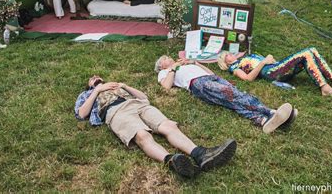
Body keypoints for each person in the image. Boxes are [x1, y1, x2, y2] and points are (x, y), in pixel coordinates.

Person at [74, 75, 237, 178]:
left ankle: (201, 154)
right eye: (91, 78)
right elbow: (82, 114)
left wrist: (124, 86)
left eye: (97, 76)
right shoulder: (87, 94)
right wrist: (97, 90)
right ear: (89, 85)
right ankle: (172, 161)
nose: (95, 77)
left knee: (168, 126)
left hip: (137, 104)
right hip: (116, 112)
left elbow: (145, 98)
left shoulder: (116, 85)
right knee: (142, 135)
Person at [155, 56, 297, 133]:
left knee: (235, 96)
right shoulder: (164, 72)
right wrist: (172, 69)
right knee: (232, 95)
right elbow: (166, 86)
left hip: (212, 78)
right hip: (198, 83)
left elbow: (210, 73)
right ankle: (270, 112)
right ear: (162, 65)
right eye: (166, 58)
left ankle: (262, 120)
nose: (170, 57)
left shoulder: (184, 65)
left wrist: (195, 63)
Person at [217, 47, 332, 98]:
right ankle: (325, 87)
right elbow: (247, 79)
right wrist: (263, 62)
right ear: (226, 62)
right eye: (227, 55)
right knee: (307, 53)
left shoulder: (241, 59)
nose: (230, 54)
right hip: (270, 72)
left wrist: (273, 61)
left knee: (312, 50)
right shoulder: (235, 68)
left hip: (276, 67)